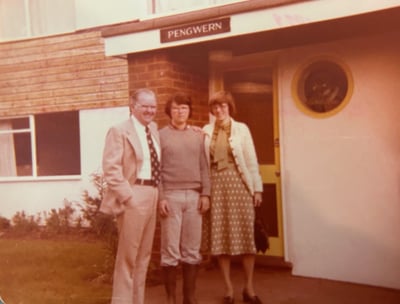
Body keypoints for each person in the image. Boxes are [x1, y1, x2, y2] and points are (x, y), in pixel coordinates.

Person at [100, 88, 160, 304]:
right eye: (145, 106)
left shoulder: (153, 129)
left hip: (152, 193)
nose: (150, 110)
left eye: (153, 106)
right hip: (133, 193)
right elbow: (111, 169)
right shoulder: (118, 130)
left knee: (143, 257)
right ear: (132, 106)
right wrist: (128, 197)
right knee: (127, 258)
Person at [203, 91, 263, 304]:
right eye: (215, 107)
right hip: (217, 187)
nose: (219, 110)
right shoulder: (206, 131)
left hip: (240, 186)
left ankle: (249, 287)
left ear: (230, 107)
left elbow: (251, 159)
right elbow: (203, 161)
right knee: (221, 240)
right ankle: (228, 289)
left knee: (247, 237)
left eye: (223, 106)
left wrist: (257, 189)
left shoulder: (242, 129)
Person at [158, 93, 211, 304]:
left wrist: (206, 193)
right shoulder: (160, 136)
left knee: (192, 250)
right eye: (176, 108)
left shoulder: (198, 136)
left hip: (194, 198)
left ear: (189, 111)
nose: (180, 112)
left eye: (184, 108)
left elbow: (204, 166)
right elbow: (156, 170)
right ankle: (171, 298)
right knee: (170, 249)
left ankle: (190, 298)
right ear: (169, 112)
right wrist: (161, 196)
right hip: (171, 196)